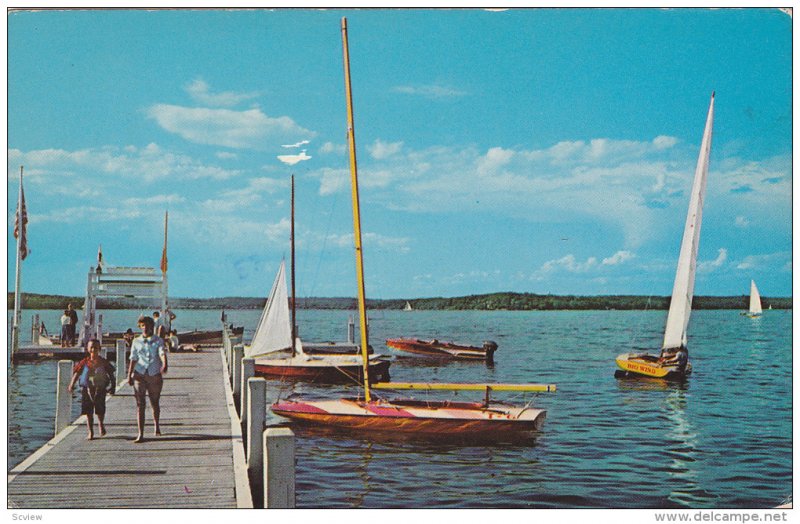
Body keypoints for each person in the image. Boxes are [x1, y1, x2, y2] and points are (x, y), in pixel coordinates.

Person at [128, 316, 168, 443]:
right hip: (139, 373)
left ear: (152, 326)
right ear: (140, 326)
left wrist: (164, 364)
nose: (145, 328)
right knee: (140, 404)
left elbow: (162, 353)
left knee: (154, 402)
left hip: (154, 373)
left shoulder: (158, 340)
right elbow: (133, 358)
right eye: (143, 325)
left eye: (147, 325)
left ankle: (156, 425)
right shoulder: (136, 341)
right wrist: (129, 374)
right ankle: (141, 433)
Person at [68, 339, 115, 440]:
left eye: (96, 347)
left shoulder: (103, 362)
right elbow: (77, 373)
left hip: (100, 389)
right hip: (87, 389)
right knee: (88, 411)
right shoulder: (84, 362)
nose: (94, 349)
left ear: (99, 349)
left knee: (100, 410)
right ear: (88, 349)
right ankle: (90, 432)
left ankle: (101, 424)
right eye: (91, 347)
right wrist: (71, 384)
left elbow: (111, 374)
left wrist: (113, 386)